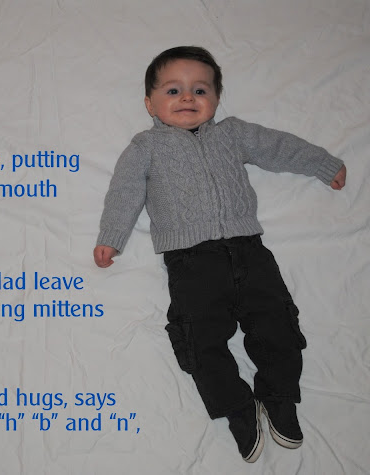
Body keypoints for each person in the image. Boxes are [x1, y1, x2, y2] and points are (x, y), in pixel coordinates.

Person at [93, 46, 346, 463]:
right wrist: (112, 236)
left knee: (278, 325)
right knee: (199, 340)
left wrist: (321, 163)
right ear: (150, 103)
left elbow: (278, 147)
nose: (187, 98)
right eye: (173, 90)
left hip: (250, 251)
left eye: (200, 90)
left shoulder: (233, 133)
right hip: (190, 261)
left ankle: (280, 396)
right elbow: (124, 192)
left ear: (215, 98)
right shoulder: (145, 147)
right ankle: (236, 407)